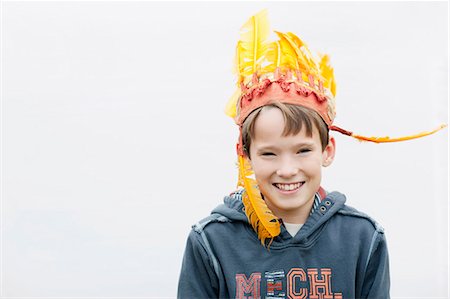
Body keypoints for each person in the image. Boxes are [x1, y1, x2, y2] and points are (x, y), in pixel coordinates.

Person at [177, 10, 445, 299]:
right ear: (244, 155)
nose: (288, 169)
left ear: (327, 150)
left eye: (302, 150)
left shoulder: (363, 239)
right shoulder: (211, 242)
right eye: (269, 154)